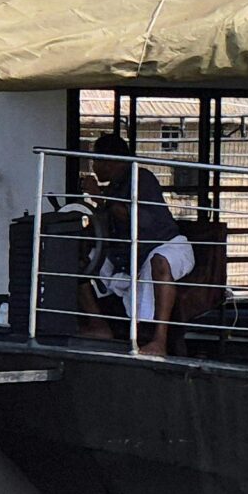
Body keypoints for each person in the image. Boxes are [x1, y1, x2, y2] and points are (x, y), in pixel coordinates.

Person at [75, 133, 192, 356]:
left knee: (160, 263)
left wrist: (98, 196)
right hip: (128, 255)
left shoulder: (141, 177)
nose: (93, 167)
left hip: (163, 245)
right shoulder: (112, 188)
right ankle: (99, 325)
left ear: (110, 160)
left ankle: (160, 341)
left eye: (96, 160)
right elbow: (104, 224)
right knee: (81, 260)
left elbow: (133, 217)